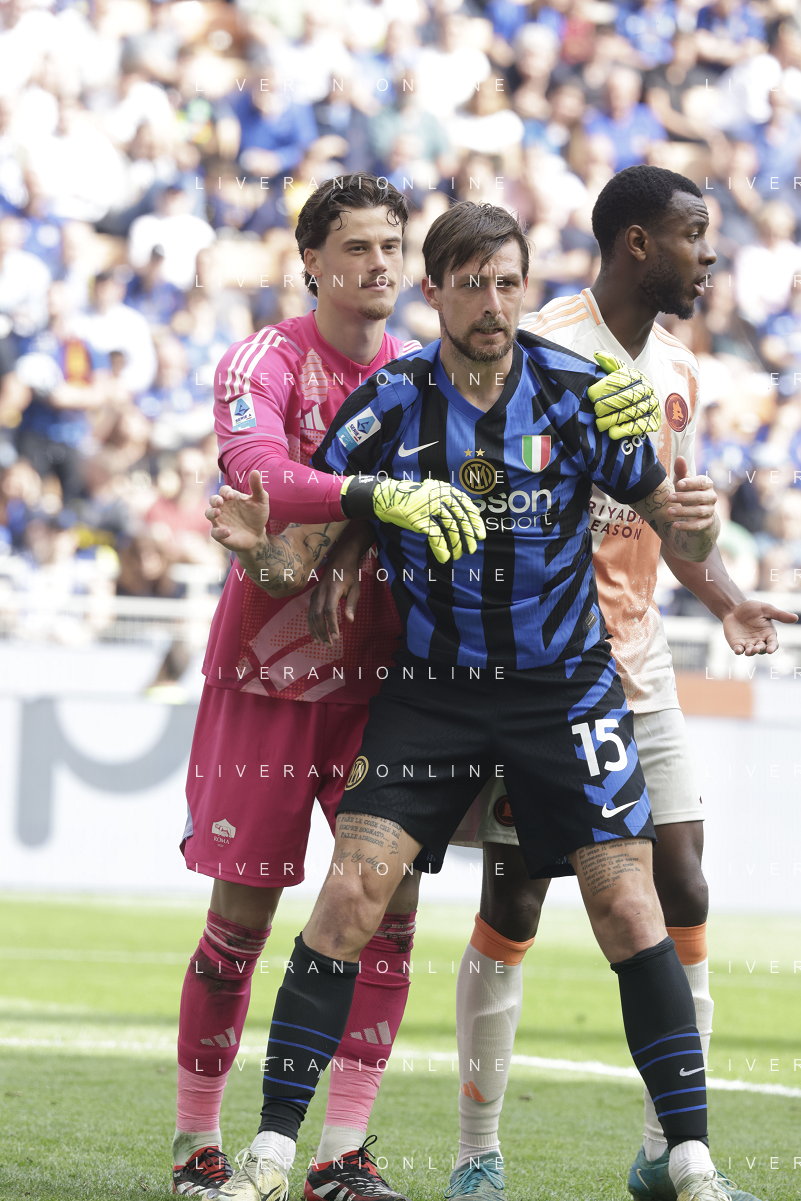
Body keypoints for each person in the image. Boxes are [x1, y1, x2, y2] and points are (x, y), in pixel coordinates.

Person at [211, 200, 730, 1201]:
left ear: (525, 289)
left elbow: (674, 524)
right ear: (434, 291)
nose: (492, 304)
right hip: (434, 692)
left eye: (508, 284)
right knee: (350, 896)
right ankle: (271, 1157)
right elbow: (303, 552)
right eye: (471, 284)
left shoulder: (580, 391)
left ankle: (692, 1161)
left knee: (630, 902)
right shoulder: (390, 403)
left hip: (564, 689)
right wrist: (260, 551)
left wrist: (702, 526)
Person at [439, 166, 796, 1201]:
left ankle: (670, 1151)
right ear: (637, 242)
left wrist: (724, 594)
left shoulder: (679, 368)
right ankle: (476, 1152)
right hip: (544, 670)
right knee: (516, 892)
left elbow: (670, 521)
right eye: (694, 234)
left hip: (639, 665)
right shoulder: (540, 343)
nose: (710, 254)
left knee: (684, 882)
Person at [173, 172, 501, 1201]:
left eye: (392, 247)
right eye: (356, 247)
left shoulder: (422, 371)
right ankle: (195, 1144)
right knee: (239, 922)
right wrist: (375, 495)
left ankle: (340, 1154)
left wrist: (365, 523)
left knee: (386, 916)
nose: (379, 266)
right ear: (310, 261)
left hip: (387, 691)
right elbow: (257, 468)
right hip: (267, 681)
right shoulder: (262, 360)